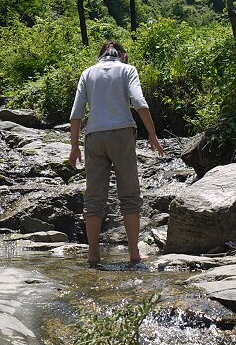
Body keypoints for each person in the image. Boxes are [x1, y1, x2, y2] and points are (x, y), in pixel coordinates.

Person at [68, 40, 164, 264]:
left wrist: (74, 146)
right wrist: (152, 135)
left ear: (100, 56)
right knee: (130, 195)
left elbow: (76, 113)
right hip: (122, 135)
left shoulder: (88, 73)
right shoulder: (128, 70)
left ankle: (93, 254)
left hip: (94, 137)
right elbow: (139, 102)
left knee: (93, 197)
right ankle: (133, 253)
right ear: (124, 55)